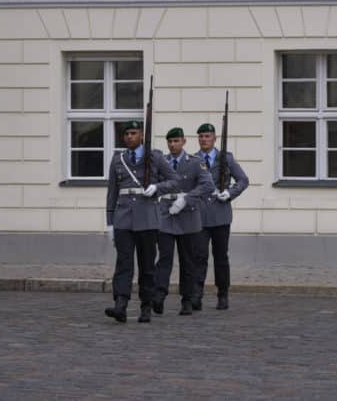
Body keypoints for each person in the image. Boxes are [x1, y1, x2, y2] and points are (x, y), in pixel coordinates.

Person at [104, 120, 180, 324]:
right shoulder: (117, 158)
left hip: (147, 218)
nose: (129, 136)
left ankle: (146, 305)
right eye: (127, 133)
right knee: (123, 263)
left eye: (134, 133)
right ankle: (120, 304)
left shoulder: (155, 157)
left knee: (147, 265)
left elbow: (175, 180)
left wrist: (157, 188)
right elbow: (112, 192)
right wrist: (110, 222)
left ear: (141, 135)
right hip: (123, 218)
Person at [153, 127, 214, 316]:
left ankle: (187, 300)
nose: (173, 145)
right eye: (170, 141)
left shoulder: (195, 163)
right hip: (165, 214)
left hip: (188, 215)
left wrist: (186, 199)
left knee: (188, 261)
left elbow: (207, 185)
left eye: (176, 141)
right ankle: (159, 296)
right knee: (164, 259)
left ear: (184, 142)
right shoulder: (162, 161)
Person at [193, 123, 249, 311]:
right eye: (200, 136)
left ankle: (222, 294)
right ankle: (196, 294)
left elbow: (243, 180)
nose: (203, 140)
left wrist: (230, 193)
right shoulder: (193, 159)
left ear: (215, 138)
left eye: (207, 136)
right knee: (199, 256)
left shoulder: (226, 158)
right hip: (199, 215)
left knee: (220, 257)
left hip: (220, 214)